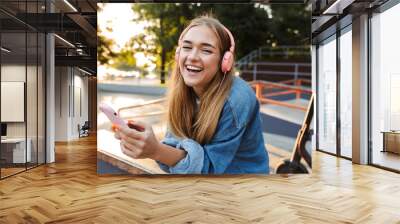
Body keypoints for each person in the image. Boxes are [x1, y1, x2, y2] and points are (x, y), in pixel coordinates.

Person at [115, 15, 269, 174]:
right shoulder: (184, 92)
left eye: (206, 50)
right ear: (178, 54)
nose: (193, 57)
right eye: (187, 47)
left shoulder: (237, 100)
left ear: (225, 61)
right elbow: (174, 152)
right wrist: (148, 144)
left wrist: (156, 151)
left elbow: (209, 170)